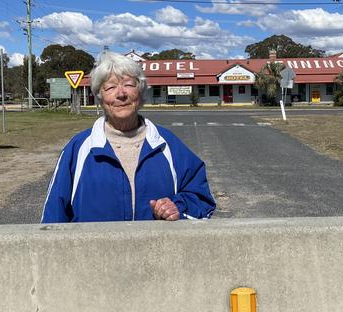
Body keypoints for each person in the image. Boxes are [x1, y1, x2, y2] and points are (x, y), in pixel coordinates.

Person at [41, 51, 215, 223]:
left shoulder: (167, 144)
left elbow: (201, 199)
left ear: (140, 93)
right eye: (110, 87)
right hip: (93, 251)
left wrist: (178, 207)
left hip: (157, 250)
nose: (121, 93)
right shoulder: (78, 149)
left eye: (129, 84)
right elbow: (53, 217)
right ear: (100, 98)